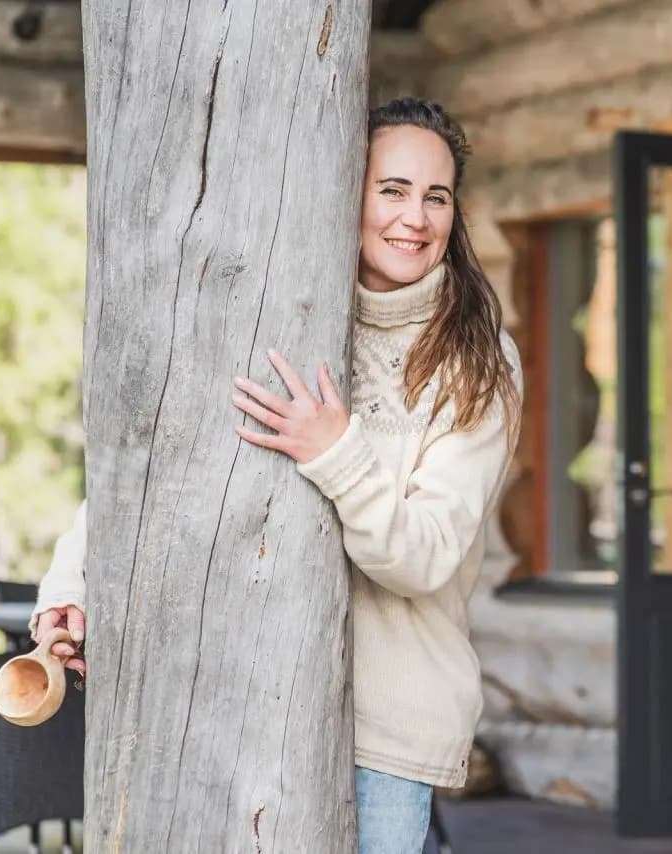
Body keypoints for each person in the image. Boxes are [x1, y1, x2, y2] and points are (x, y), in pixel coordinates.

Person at [28, 97, 522, 853]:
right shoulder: (266, 311)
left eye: (436, 196)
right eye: (391, 189)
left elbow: (425, 556)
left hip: (381, 734)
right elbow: (157, 464)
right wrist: (71, 586)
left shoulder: (477, 360)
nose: (414, 218)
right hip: (225, 700)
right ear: (344, 190)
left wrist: (337, 449)